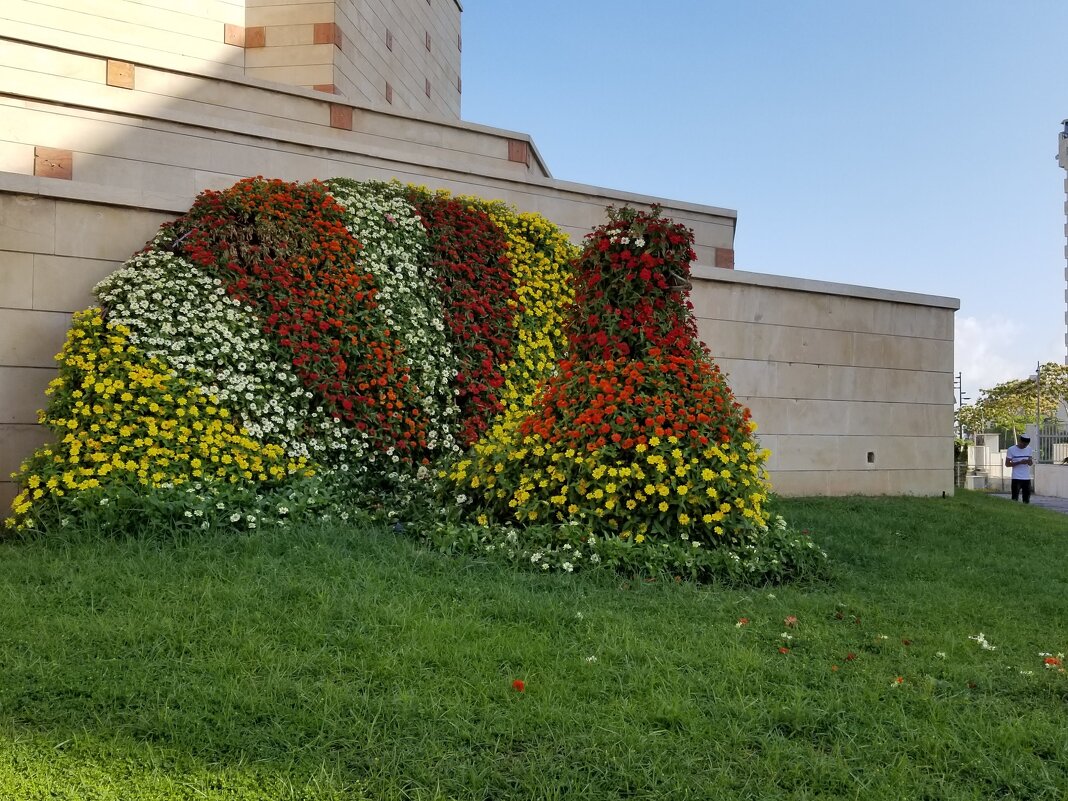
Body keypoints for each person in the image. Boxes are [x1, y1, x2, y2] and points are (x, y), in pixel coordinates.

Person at [1005, 434, 1034, 503]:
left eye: (1026, 445)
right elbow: (1007, 464)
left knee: (1026, 498)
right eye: (1023, 444)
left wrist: (1029, 461)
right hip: (1016, 478)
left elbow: (1030, 463)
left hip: (1026, 478)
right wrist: (1019, 462)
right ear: (1019, 441)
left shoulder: (1029, 449)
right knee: (1015, 497)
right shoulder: (1011, 449)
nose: (1024, 446)